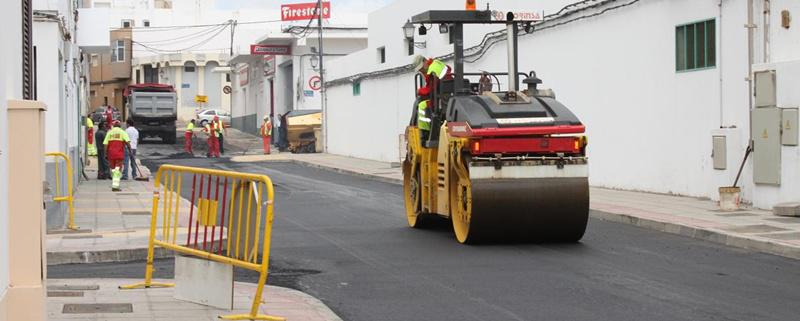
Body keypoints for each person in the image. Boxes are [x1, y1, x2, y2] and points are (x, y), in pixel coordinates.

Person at [104, 120, 131, 191]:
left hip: (111, 155)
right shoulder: (122, 132)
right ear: (120, 126)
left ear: (114, 126)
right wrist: (130, 151)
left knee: (113, 170)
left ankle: (115, 184)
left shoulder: (109, 132)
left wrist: (105, 154)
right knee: (117, 170)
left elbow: (105, 144)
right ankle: (115, 186)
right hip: (119, 155)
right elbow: (128, 142)